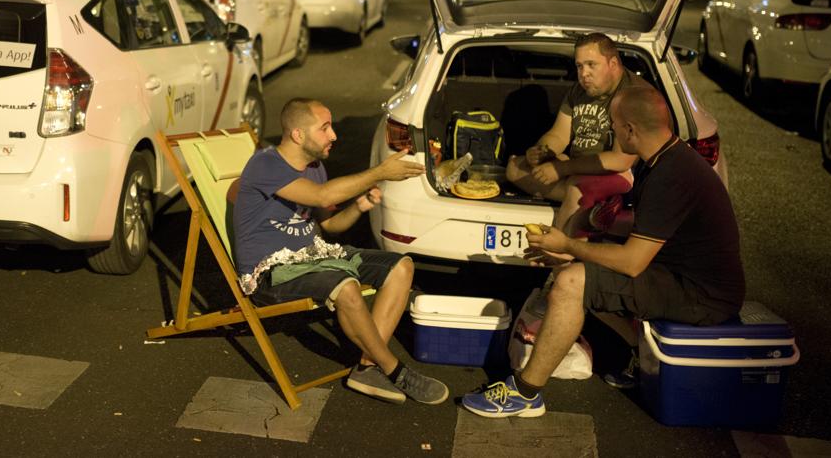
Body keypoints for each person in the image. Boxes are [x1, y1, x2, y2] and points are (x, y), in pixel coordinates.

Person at [460, 84, 745, 418]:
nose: (611, 130)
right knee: (582, 272)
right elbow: (648, 233)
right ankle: (644, 356)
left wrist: (568, 245)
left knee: (572, 284)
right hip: (679, 274)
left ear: (630, 130)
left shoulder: (671, 174)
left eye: (614, 123)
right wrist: (579, 245)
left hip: (702, 295)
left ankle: (525, 393)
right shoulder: (665, 158)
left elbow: (632, 263)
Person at [234, 97, 448, 405]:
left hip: (314, 256)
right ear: (298, 134)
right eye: (324, 128)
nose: (334, 135)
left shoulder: (314, 167)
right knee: (345, 286)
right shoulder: (266, 164)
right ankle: (395, 370)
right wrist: (379, 172)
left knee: (401, 266)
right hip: (272, 271)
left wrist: (359, 207)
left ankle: (367, 367)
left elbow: (331, 223)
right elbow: (321, 197)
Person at [506, 32, 646, 235]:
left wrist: (561, 169)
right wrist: (540, 152)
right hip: (576, 168)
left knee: (575, 187)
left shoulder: (632, 94)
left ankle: (558, 253)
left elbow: (620, 160)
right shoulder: (580, 90)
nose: (584, 73)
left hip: (618, 175)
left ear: (613, 64)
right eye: (579, 66)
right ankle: (600, 206)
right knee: (514, 168)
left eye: (591, 65)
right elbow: (559, 135)